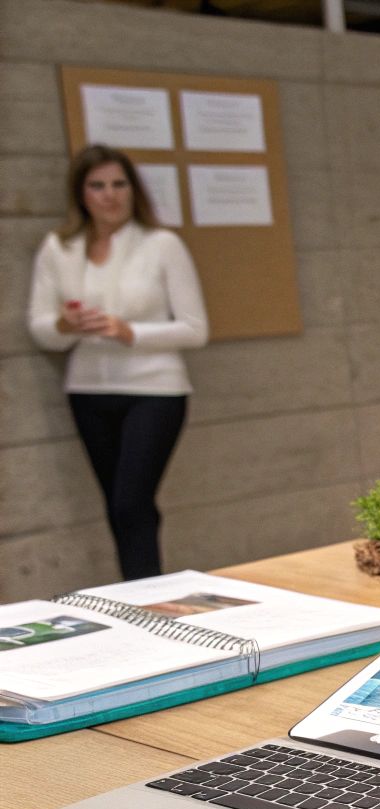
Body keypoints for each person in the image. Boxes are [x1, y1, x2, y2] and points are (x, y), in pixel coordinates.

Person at [27, 145, 209, 580]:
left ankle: (149, 599)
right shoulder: (60, 247)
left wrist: (131, 333)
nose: (110, 195)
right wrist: (66, 325)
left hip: (155, 389)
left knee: (131, 501)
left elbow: (195, 329)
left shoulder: (162, 244)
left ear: (133, 189)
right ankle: (138, 596)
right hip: (88, 389)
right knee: (117, 506)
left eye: (119, 184)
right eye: (97, 186)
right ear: (81, 193)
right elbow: (40, 328)